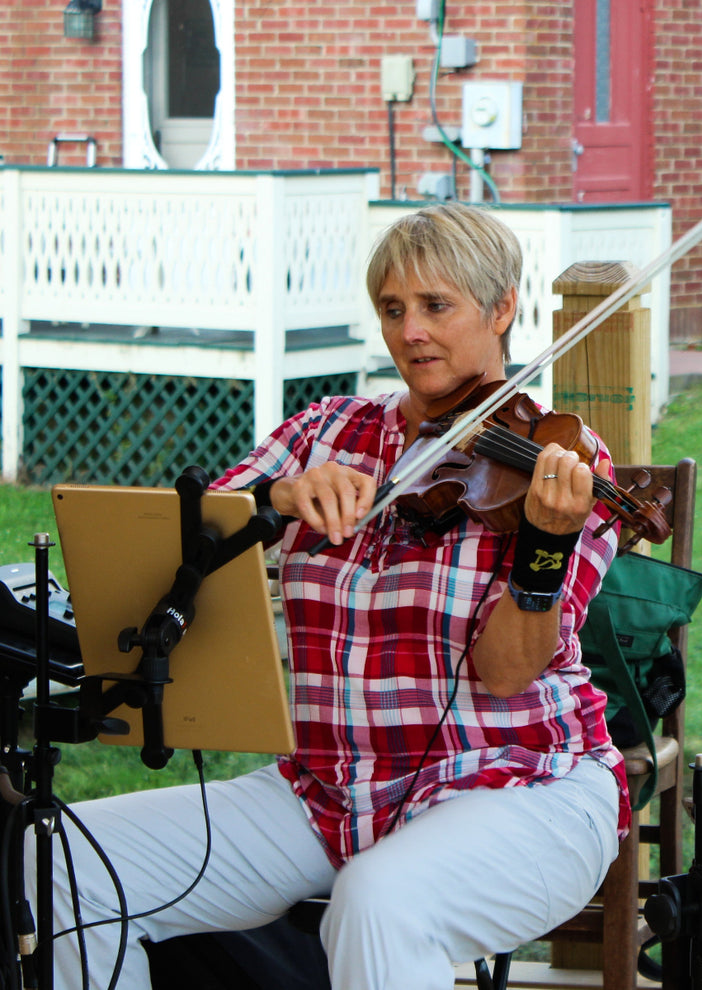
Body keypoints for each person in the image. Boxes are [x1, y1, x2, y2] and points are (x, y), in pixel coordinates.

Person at [32, 202, 627, 988]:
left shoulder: (559, 463)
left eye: (435, 306)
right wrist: (278, 498)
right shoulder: (328, 429)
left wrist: (545, 545)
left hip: (519, 787)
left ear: (502, 308)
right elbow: (182, 545)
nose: (410, 330)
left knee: (379, 901)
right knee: (64, 856)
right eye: (393, 309)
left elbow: (509, 671)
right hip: (324, 793)